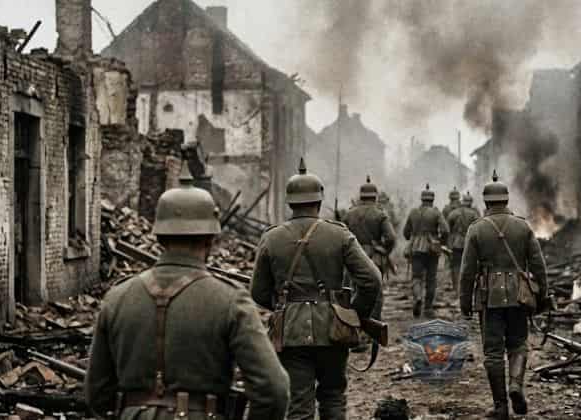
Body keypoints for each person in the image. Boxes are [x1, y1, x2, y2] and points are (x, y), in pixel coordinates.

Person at [85, 175, 289, 420]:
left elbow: (97, 394)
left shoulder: (117, 297)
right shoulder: (230, 300)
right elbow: (273, 389)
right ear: (210, 239)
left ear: (159, 237)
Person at [251, 159, 382, 420]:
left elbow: (258, 292)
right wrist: (353, 313)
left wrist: (285, 307)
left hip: (290, 334)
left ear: (290, 203)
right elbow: (372, 279)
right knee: (333, 397)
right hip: (333, 329)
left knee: (299, 404)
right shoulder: (339, 235)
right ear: (319, 201)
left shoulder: (271, 238)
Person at [459, 172, 547, 419]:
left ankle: (500, 407)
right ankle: (516, 386)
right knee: (518, 343)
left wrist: (465, 302)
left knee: (493, 352)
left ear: (486, 202)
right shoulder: (523, 226)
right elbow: (539, 265)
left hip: (489, 298)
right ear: (506, 200)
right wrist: (543, 296)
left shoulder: (476, 229)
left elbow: (467, 272)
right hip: (520, 295)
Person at [343, 175, 397, 321]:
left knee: (353, 291)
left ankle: (354, 325)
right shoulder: (380, 214)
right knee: (376, 293)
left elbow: (341, 236)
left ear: (361, 196)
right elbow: (391, 237)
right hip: (375, 258)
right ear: (375, 197)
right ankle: (373, 327)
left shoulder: (349, 214)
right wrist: (385, 251)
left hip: (352, 258)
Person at [403, 184, 449, 318]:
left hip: (416, 247)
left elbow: (406, 232)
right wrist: (440, 241)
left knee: (417, 277)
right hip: (432, 249)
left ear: (422, 199)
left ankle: (417, 297)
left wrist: (412, 238)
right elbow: (445, 230)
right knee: (431, 279)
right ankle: (428, 308)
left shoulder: (413, 212)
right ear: (432, 200)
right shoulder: (436, 212)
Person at [446, 192, 480, 294]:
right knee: (469, 265)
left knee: (455, 266)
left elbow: (448, 229)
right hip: (470, 243)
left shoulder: (453, 213)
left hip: (455, 243)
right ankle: (466, 288)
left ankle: (457, 288)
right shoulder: (474, 214)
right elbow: (479, 228)